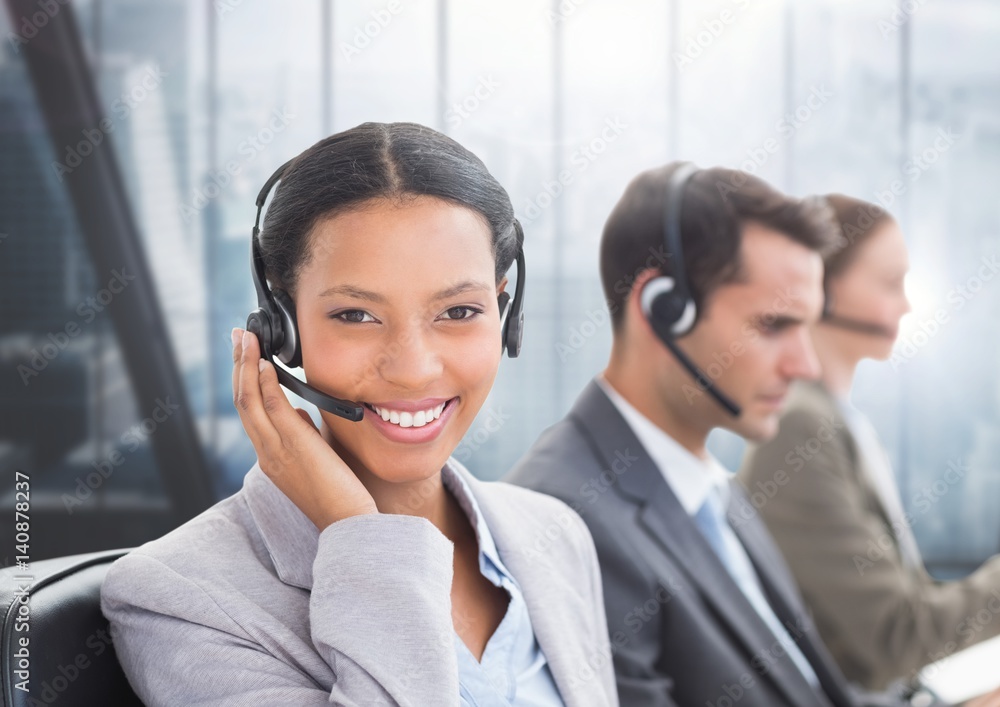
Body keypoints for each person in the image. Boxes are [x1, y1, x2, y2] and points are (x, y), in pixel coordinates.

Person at [100, 122, 618, 706]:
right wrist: (361, 534)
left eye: (458, 310)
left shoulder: (554, 535)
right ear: (281, 328)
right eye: (356, 315)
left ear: (504, 310)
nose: (414, 369)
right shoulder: (182, 599)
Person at [506, 163, 947, 706]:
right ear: (662, 310)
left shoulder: (712, 490)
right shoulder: (569, 520)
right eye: (774, 325)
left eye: (807, 329)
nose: (805, 364)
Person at [738, 193, 1000, 691]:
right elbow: (890, 638)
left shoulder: (839, 422)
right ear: (821, 287)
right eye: (889, 283)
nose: (905, 304)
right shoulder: (800, 430)